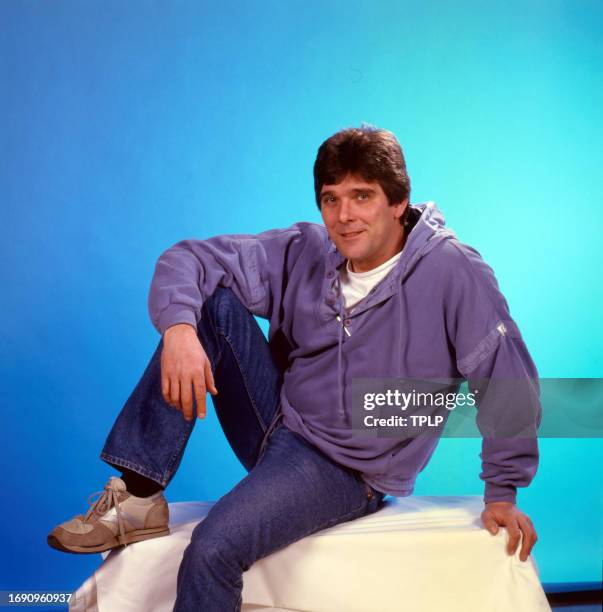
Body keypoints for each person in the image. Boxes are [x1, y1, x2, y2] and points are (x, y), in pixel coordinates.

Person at [48, 126, 541, 611]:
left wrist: (502, 490)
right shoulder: (305, 251)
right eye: (331, 199)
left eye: (362, 196)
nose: (344, 216)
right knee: (207, 308)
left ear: (398, 202)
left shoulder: (452, 271)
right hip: (278, 423)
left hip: (346, 470)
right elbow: (189, 258)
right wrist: (178, 330)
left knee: (212, 549)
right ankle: (138, 497)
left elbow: (508, 380)